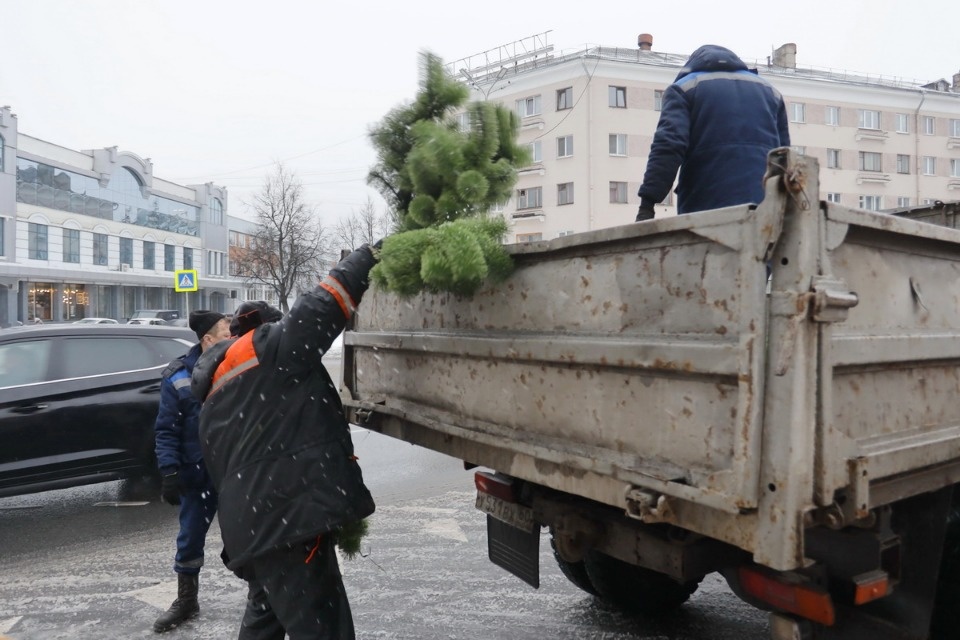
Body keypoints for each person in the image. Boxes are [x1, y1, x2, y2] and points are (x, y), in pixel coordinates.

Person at [192, 244, 380, 640]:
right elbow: (322, 306)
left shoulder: (216, 392)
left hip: (257, 532)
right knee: (324, 631)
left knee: (265, 621)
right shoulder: (269, 350)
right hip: (288, 526)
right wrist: (369, 256)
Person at [636, 44, 791, 221]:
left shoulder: (684, 89)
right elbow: (785, 158)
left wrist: (647, 203)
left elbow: (668, 146)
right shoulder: (771, 92)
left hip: (706, 207)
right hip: (764, 207)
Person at [152, 310, 231, 633]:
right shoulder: (178, 375)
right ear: (208, 340)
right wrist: (169, 471)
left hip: (232, 472)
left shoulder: (237, 364)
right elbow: (166, 429)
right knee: (189, 540)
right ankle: (187, 601)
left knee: (246, 537)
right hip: (197, 474)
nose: (232, 338)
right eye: (226, 333)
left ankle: (264, 595)